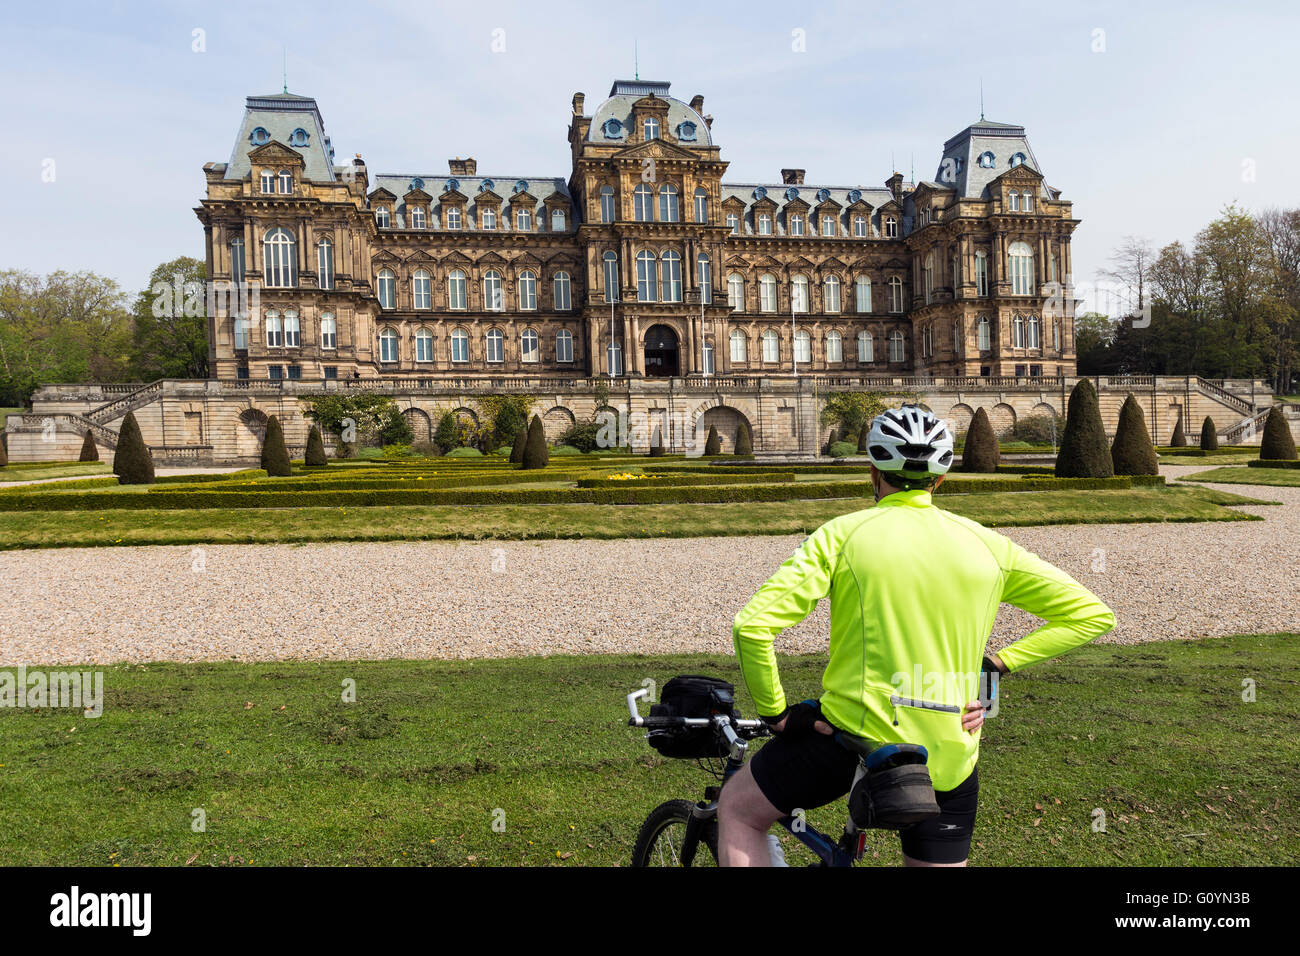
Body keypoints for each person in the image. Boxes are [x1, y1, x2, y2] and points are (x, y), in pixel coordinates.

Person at [718, 404, 1115, 866]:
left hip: (850, 741)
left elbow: (753, 626)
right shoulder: (989, 544)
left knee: (739, 811)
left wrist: (777, 714)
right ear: (940, 479)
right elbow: (1092, 615)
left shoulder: (842, 535)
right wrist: (993, 670)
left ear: (873, 472)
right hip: (946, 751)